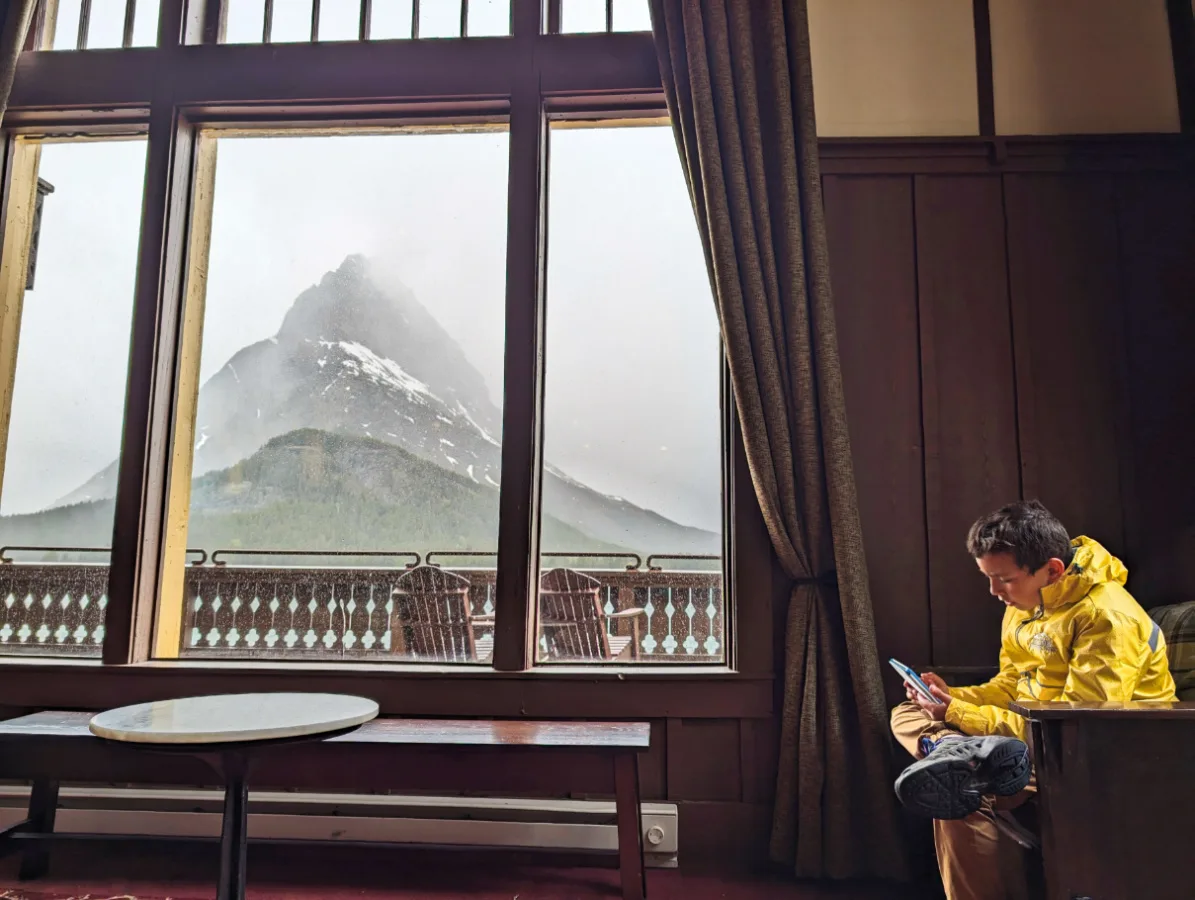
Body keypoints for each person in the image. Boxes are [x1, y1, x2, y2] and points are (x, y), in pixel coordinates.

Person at [890, 500, 1176, 900]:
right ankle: (948, 747)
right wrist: (950, 697)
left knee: (964, 791)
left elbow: (1076, 728)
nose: (994, 592)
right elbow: (1011, 685)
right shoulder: (1026, 603)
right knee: (908, 711)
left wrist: (958, 712)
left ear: (1053, 569)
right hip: (1036, 737)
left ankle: (962, 755)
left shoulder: (1106, 618)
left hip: (1102, 756)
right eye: (988, 578)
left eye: (1004, 579)